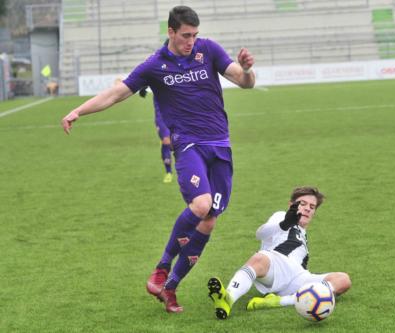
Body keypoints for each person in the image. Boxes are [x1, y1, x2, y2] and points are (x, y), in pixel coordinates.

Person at [61, 5, 255, 313]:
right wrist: (78, 111)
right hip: (188, 145)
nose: (191, 41)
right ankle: (162, 267)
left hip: (220, 145)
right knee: (202, 205)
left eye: (195, 35)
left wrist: (246, 70)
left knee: (210, 220)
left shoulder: (209, 50)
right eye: (185, 35)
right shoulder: (154, 65)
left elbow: (245, 83)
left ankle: (170, 288)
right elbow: (115, 94)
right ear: (171, 32)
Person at [207, 186, 351, 319]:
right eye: (303, 203)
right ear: (291, 205)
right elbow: (260, 234)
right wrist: (284, 224)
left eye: (312, 207)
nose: (307, 209)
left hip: (298, 277)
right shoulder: (281, 216)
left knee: (343, 280)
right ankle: (228, 299)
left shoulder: (303, 234)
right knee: (259, 258)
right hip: (276, 264)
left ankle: (278, 301)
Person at [139, 87, 174, 183]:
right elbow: (146, 75)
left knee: (177, 143)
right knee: (167, 141)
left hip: (177, 112)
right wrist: (143, 87)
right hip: (161, 115)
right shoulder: (156, 72)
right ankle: (169, 172)